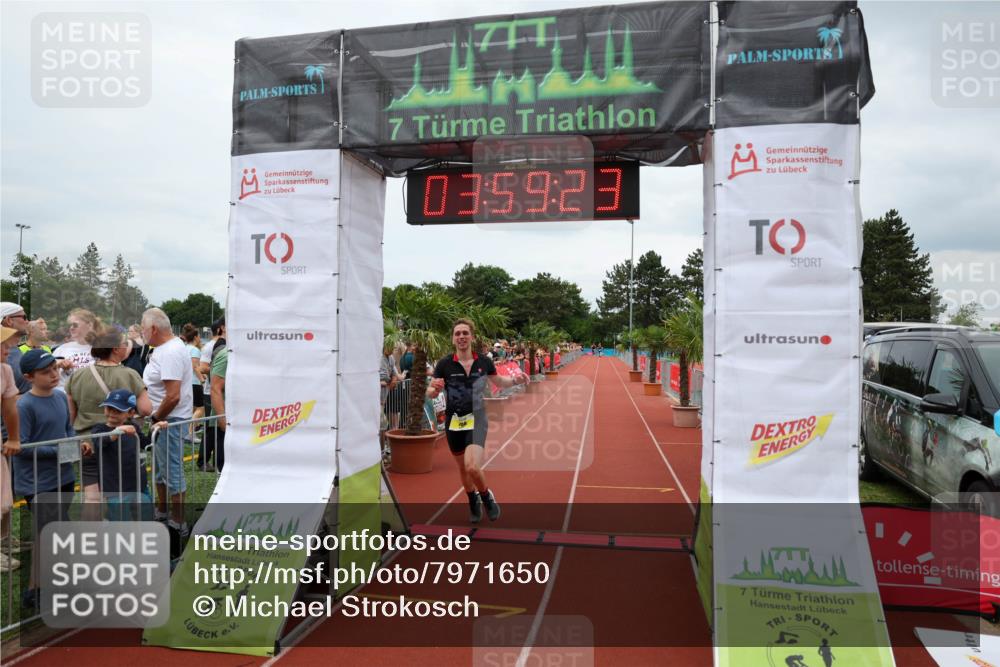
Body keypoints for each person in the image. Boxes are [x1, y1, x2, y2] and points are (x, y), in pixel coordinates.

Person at [427, 319, 528, 523]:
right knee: (463, 469)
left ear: (471, 336)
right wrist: (434, 389)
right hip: (453, 421)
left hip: (478, 418)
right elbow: (430, 391)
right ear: (453, 338)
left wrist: (515, 380)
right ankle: (472, 500)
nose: (461, 336)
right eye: (457, 333)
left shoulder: (484, 361)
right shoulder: (444, 364)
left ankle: (486, 496)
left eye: (465, 333)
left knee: (472, 466)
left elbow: (499, 381)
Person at [13, 349, 81, 606]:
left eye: (55, 369)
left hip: (63, 476)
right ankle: (36, 589)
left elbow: (68, 430)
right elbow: (22, 446)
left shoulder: (62, 397)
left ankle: (43, 586)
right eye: (46, 372)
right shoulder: (24, 405)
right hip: (37, 482)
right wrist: (60, 450)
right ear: (29, 377)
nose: (54, 374)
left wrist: (75, 445)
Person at [65, 326, 151, 516]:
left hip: (87, 443)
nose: (126, 347)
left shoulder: (77, 376)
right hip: (121, 444)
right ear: (115, 349)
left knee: (92, 498)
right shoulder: (130, 374)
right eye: (123, 344)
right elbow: (146, 409)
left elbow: (71, 415)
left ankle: (91, 539)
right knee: (123, 494)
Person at [141, 307, 193, 536]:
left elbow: (173, 396)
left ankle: (178, 522)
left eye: (143, 328)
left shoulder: (170, 351)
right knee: (162, 470)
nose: (142, 333)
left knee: (171, 470)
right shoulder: (165, 348)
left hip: (169, 420)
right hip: (165, 418)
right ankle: (163, 511)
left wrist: (156, 417)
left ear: (153, 328)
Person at [90, 389, 150, 516]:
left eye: (118, 410)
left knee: (146, 516)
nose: (112, 413)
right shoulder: (99, 429)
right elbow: (100, 442)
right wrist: (116, 432)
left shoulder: (133, 427)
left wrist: (156, 429)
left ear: (131, 412)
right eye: (109, 408)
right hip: (115, 488)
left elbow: (146, 444)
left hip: (138, 484)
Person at [1, 327, 22, 572]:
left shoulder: (5, 370)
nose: (8, 349)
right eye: (4, 344)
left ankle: (3, 543)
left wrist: (14, 438)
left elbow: (9, 409)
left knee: (4, 500)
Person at [199, 319, 225, 471]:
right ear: (221, 329)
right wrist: (219, 372)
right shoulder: (210, 346)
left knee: (218, 430)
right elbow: (202, 368)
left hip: (217, 391)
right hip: (211, 392)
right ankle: (202, 461)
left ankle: (217, 461)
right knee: (210, 428)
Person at [54, 308, 100, 388]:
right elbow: (47, 373)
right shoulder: (61, 349)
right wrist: (58, 364)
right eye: (70, 325)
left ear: (89, 325)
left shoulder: (103, 349)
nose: (71, 328)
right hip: (65, 396)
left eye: (75, 325)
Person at [180, 324, 205, 444]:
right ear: (195, 337)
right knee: (200, 409)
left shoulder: (184, 348)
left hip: (186, 382)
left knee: (192, 409)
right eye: (199, 335)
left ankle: (187, 432)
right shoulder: (194, 350)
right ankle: (190, 433)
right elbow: (195, 366)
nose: (200, 338)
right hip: (194, 383)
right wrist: (202, 379)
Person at [0, 301, 31, 394]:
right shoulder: (2, 356)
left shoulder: (14, 350)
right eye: (24, 317)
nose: (27, 321)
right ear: (9, 320)